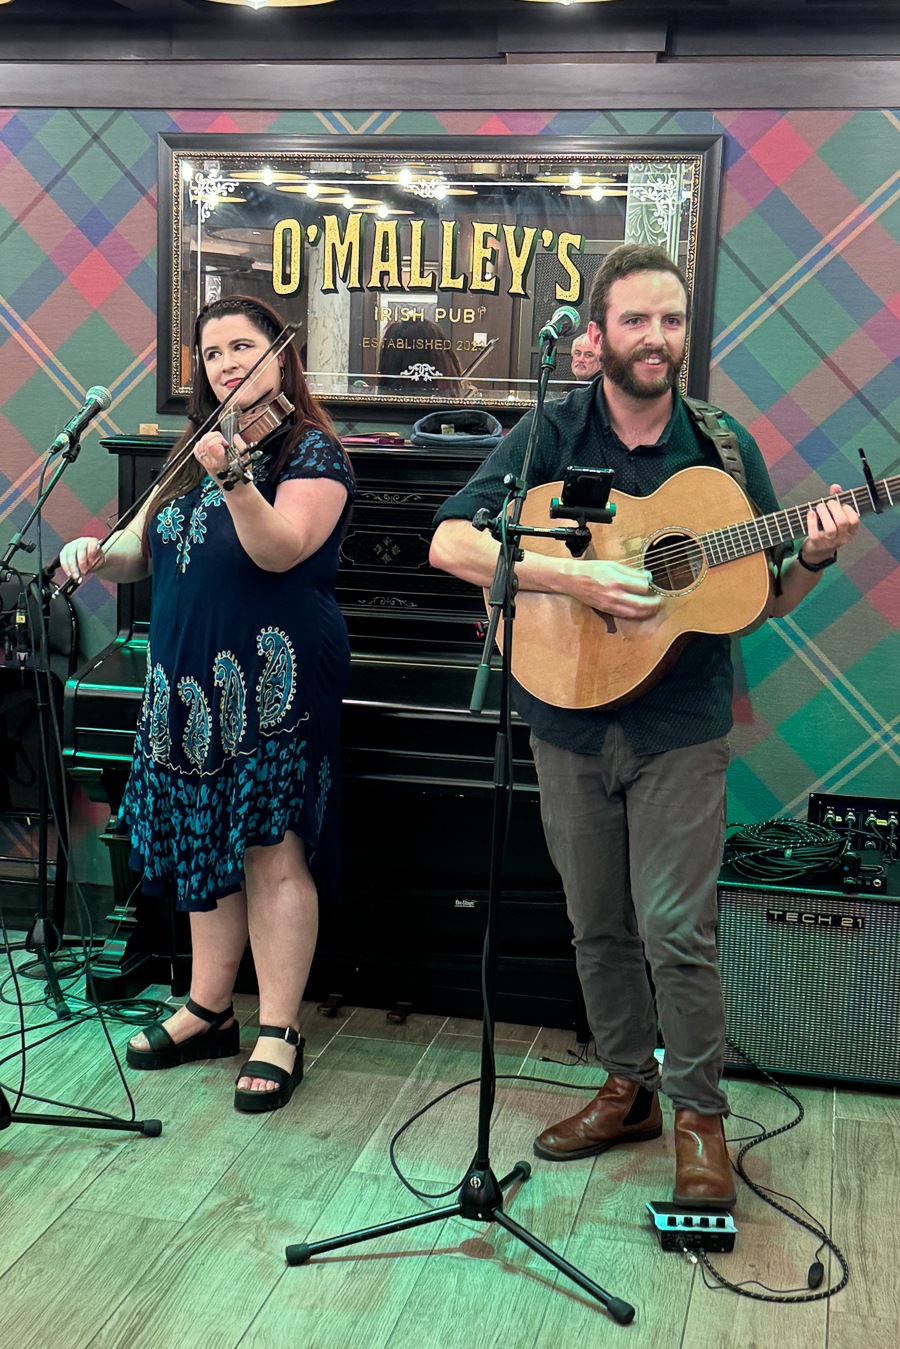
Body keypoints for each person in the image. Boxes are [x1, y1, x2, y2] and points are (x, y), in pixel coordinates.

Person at [429, 244, 858, 1206]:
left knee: (676, 927)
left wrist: (818, 557)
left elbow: (761, 597)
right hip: (564, 712)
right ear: (597, 335)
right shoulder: (548, 429)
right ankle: (628, 1088)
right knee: (595, 924)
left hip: (678, 723)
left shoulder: (719, 450)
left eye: (671, 321)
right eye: (635, 320)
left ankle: (699, 1113)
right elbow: (450, 540)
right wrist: (571, 576)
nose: (656, 337)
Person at [60, 294, 355, 1114]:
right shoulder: (191, 451)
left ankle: (281, 1027)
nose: (226, 362)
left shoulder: (313, 454)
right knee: (205, 845)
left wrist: (236, 476)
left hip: (273, 678)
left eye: (242, 346)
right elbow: (135, 553)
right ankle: (208, 1007)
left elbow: (280, 548)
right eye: (212, 351)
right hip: (185, 684)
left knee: (271, 850)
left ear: (279, 356)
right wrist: (95, 551)